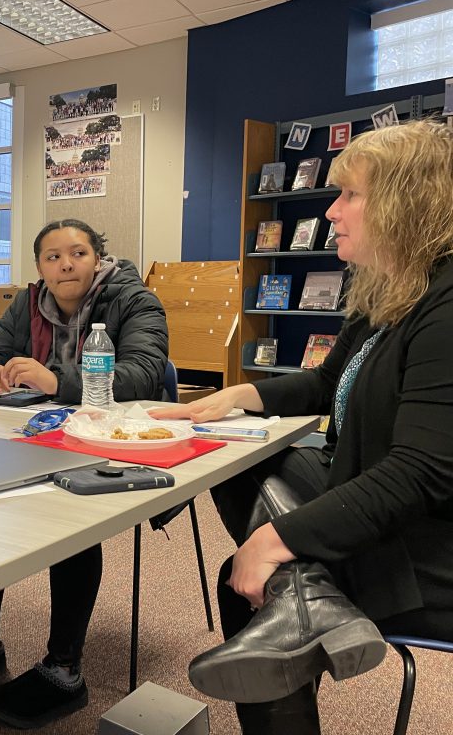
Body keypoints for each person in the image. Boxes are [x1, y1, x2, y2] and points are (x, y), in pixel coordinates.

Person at [151, 119, 453, 734]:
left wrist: (272, 542)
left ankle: (300, 591)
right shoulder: (391, 291)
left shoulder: (446, 307)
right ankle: (305, 592)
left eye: (350, 194)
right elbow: (323, 384)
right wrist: (233, 396)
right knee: (236, 455)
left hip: (432, 546)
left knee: (246, 577)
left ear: (406, 203)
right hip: (386, 496)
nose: (332, 210)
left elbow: (421, 473)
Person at [0, 218, 168, 728]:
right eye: (52, 257)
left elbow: (144, 373)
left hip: (117, 443)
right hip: (34, 435)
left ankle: (65, 669)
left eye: (77, 253)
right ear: (39, 268)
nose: (65, 264)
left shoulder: (134, 299)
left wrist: (57, 378)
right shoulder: (27, 302)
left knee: (70, 517)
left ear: (97, 257)